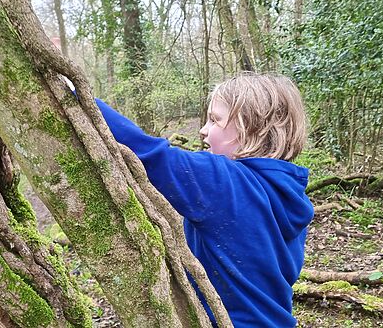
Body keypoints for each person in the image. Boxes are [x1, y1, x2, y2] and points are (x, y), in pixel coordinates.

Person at [95, 72, 314, 327]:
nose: (203, 130)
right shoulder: (288, 192)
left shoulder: (224, 181)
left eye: (214, 120)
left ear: (251, 127)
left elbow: (150, 155)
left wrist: (80, 95)